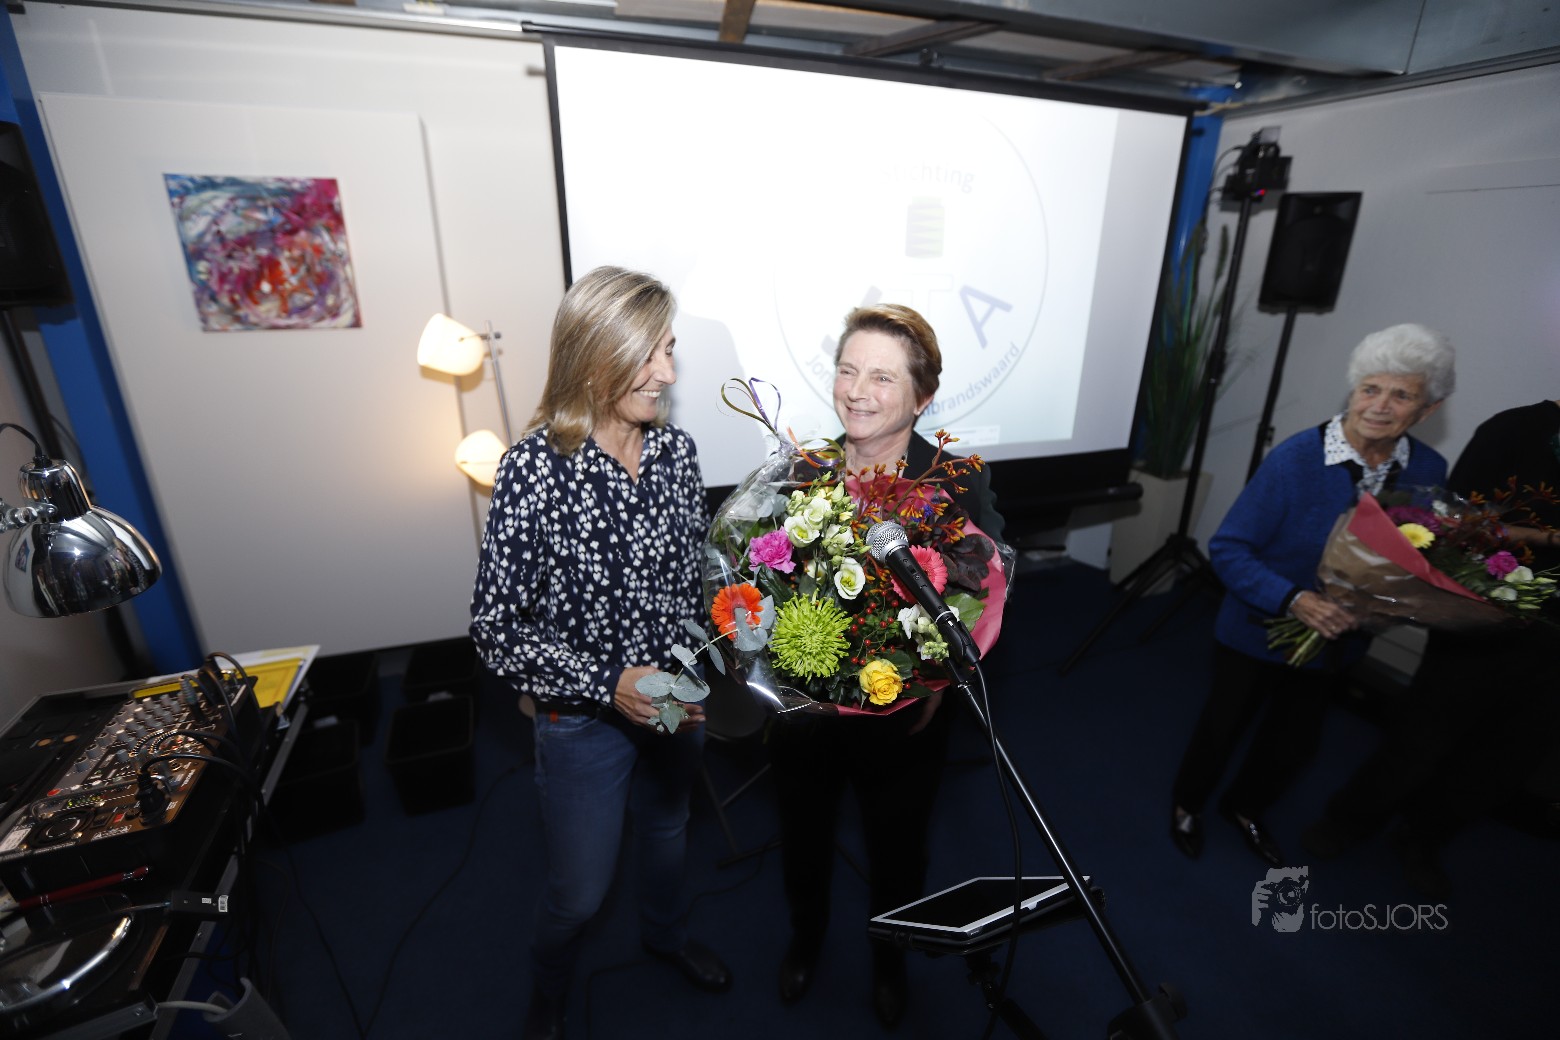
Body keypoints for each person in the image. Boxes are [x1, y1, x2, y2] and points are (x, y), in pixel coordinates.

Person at [470, 266, 731, 1040]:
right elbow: (494, 626)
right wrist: (607, 682)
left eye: (669, 350)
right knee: (579, 895)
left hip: (676, 697)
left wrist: (722, 634)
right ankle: (548, 992)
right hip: (582, 720)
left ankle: (665, 939)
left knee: (667, 831)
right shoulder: (534, 470)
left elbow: (690, 579)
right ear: (593, 356)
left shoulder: (677, 453)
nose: (668, 374)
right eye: (648, 354)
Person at [767, 303, 1005, 1029]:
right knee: (803, 834)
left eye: (881, 377)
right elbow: (763, 579)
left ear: (922, 396)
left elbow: (982, 592)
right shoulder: (800, 472)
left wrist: (937, 677)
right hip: (805, 712)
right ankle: (805, 938)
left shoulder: (956, 481)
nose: (857, 391)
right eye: (847, 371)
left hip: (905, 718)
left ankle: (890, 960)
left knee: (899, 848)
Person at [1169, 323, 1455, 867]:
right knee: (1222, 727)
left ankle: (1245, 807)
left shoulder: (1427, 470)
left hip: (1340, 641)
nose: (1380, 406)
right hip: (1257, 630)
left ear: (1428, 410)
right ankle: (1188, 804)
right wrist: (1294, 600)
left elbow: (1413, 556)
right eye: (1370, 389)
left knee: (1293, 744)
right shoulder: (1297, 459)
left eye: (1401, 395)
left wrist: (1386, 602)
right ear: (1353, 390)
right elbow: (1228, 548)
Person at [1300, 397, 1560, 896]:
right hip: (1486, 618)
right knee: (1423, 735)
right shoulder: (1517, 428)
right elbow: (1456, 520)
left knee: (1506, 760)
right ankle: (1350, 820)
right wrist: (1549, 539)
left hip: (1554, 645)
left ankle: (1424, 838)